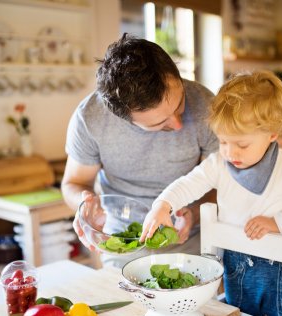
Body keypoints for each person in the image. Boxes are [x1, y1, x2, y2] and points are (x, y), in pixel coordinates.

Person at [140, 70, 282, 316]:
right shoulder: (219, 164)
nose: (230, 152)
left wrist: (276, 222)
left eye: (241, 144)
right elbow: (189, 183)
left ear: (271, 133)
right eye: (223, 141)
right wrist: (164, 204)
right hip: (237, 265)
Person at [61, 33, 218, 268]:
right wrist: (85, 204)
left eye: (179, 104)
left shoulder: (206, 104)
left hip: (192, 242)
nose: (178, 125)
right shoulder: (90, 118)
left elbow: (223, 180)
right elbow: (73, 183)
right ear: (123, 117)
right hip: (123, 243)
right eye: (159, 123)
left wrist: (194, 213)